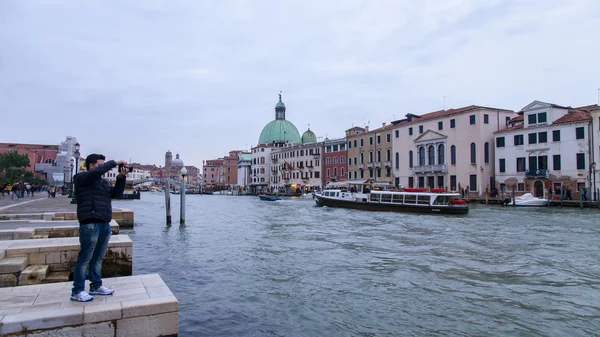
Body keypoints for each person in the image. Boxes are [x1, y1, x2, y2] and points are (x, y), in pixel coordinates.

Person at [70, 154, 129, 302]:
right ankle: (77, 290)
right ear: (91, 165)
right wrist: (114, 162)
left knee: (98, 258)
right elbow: (97, 172)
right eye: (100, 164)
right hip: (89, 223)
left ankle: (96, 286)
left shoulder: (103, 183)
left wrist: (121, 177)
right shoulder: (81, 178)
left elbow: (116, 194)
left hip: (104, 223)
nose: (102, 167)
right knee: (84, 258)